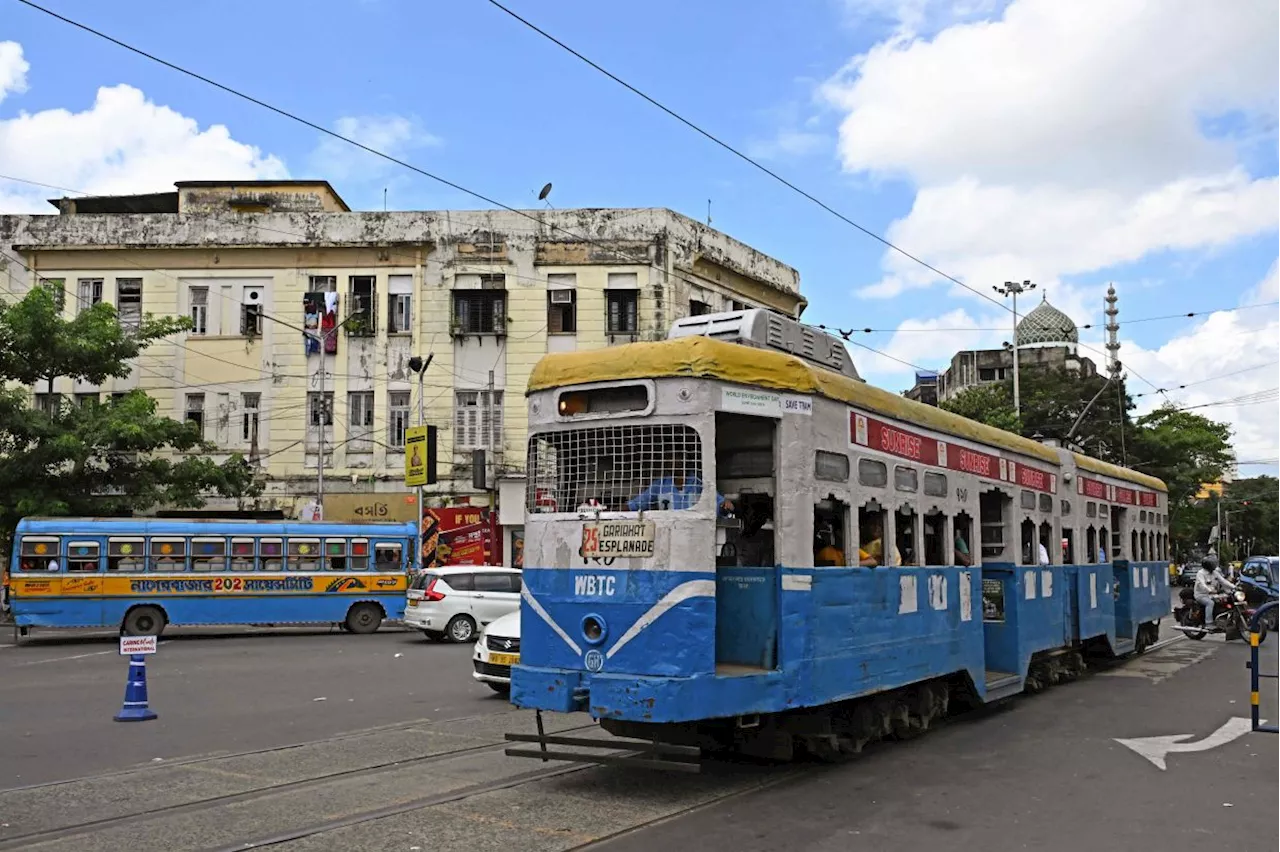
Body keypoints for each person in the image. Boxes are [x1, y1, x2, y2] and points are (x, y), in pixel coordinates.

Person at [628, 455, 733, 516]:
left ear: (685, 459)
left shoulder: (699, 482)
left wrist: (725, 505)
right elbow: (637, 504)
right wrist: (614, 511)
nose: (672, 460)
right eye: (669, 457)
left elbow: (718, 503)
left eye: (677, 456)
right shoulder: (659, 485)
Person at [1194, 554, 1235, 631]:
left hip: (1213, 594)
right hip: (1201, 595)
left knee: (1225, 600)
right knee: (1210, 603)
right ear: (1208, 565)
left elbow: (1223, 581)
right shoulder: (1201, 573)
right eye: (1213, 564)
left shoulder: (1215, 572)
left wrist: (1234, 587)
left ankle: (1221, 619)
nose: (1214, 566)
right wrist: (1210, 591)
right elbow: (1202, 584)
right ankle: (1208, 623)